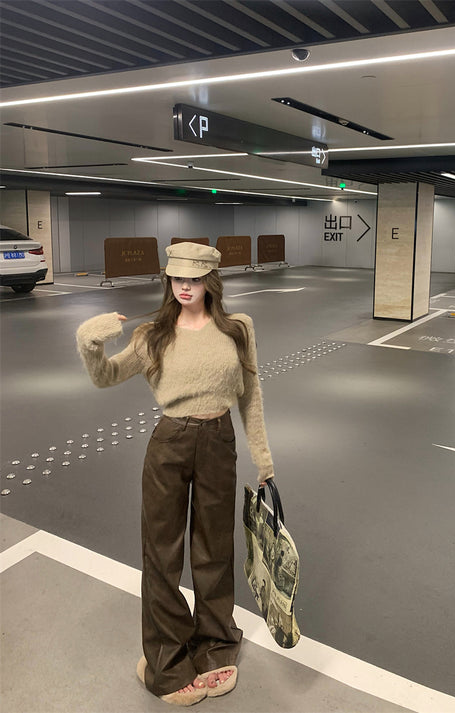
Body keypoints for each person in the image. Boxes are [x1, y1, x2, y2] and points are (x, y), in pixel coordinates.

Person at [76, 242, 275, 707]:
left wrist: (263, 457)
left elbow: (250, 393)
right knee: (162, 554)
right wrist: (90, 342)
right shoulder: (153, 335)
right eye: (177, 278)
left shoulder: (238, 328)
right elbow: (105, 376)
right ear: (168, 280)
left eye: (194, 278)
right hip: (170, 442)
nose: (185, 286)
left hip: (219, 441)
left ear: (210, 281)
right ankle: (166, 663)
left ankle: (216, 645)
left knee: (214, 549)